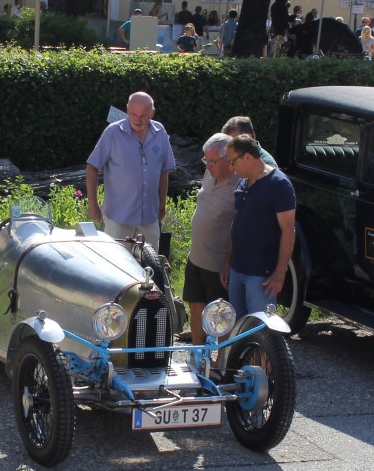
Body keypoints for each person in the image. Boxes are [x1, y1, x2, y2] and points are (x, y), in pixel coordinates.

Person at [84, 91, 176, 241]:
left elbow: (163, 171)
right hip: (118, 219)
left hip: (149, 218)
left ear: (152, 113)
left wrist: (162, 207)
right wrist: (93, 204)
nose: (137, 120)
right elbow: (92, 167)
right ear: (127, 110)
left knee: (149, 263)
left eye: (143, 116)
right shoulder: (112, 133)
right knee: (117, 263)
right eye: (133, 114)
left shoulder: (160, 132)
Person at [222, 135, 295, 316]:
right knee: (236, 328)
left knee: (259, 329)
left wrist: (280, 272)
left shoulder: (279, 185)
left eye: (233, 161)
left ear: (247, 157)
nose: (231, 167)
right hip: (237, 268)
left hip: (261, 274)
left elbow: (288, 230)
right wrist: (227, 262)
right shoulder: (242, 182)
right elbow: (237, 223)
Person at [184, 133, 237, 340]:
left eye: (213, 161)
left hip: (217, 263)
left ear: (228, 159)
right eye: (206, 160)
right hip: (196, 256)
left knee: (220, 314)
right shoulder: (211, 173)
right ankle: (198, 356)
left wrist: (228, 262)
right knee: (196, 305)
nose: (208, 166)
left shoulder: (238, 183)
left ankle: (220, 361)